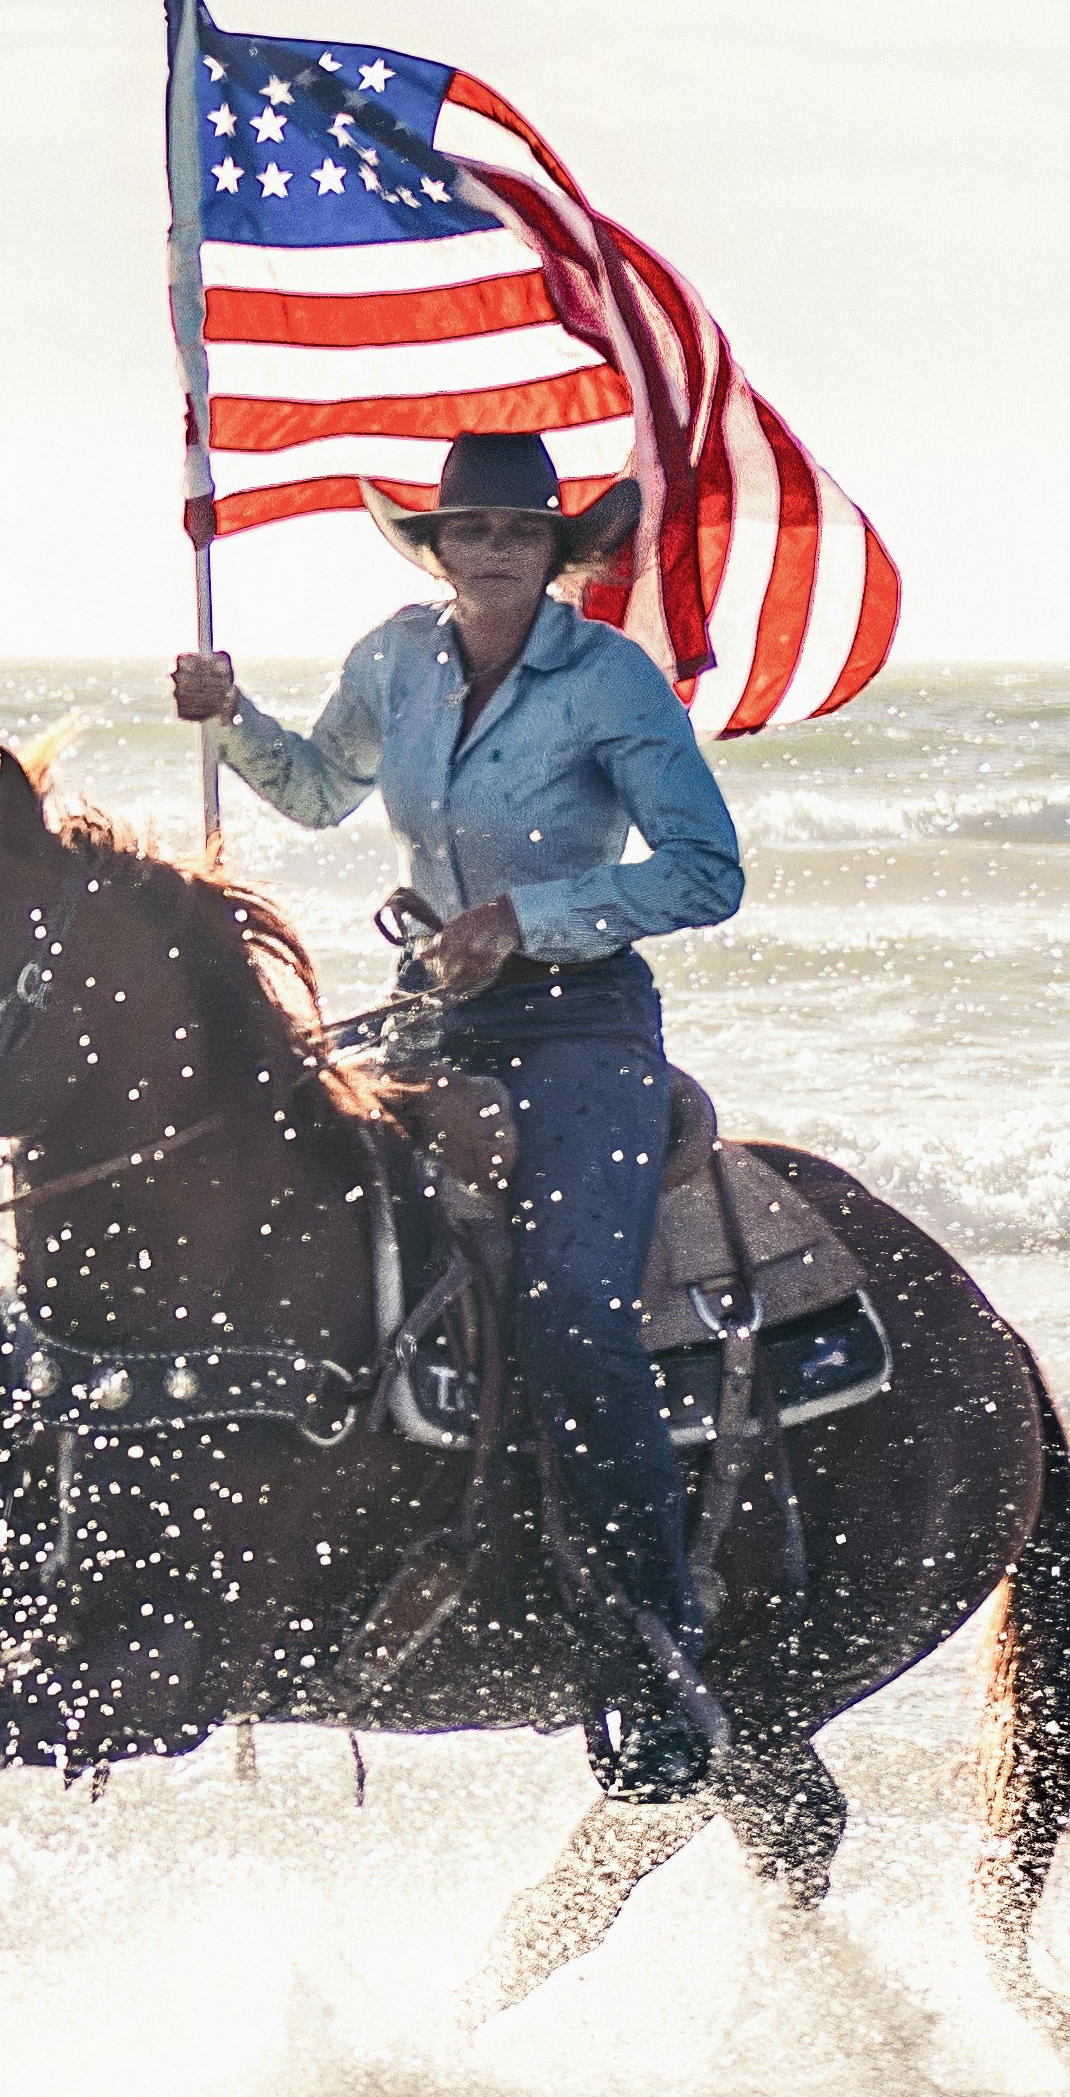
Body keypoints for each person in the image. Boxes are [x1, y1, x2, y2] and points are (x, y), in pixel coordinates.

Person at [166, 427, 744, 1801]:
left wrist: (529, 919)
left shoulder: (608, 679)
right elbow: (321, 792)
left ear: (556, 549)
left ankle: (662, 1650)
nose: (493, 550)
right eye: (471, 530)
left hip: (581, 1026)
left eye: (520, 532)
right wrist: (231, 716)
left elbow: (706, 870)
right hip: (433, 1017)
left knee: (572, 1313)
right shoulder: (394, 659)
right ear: (437, 548)